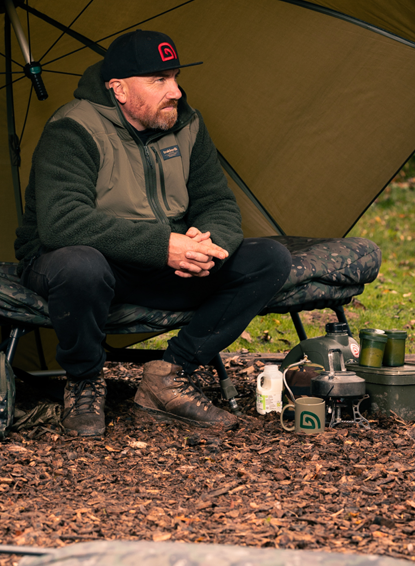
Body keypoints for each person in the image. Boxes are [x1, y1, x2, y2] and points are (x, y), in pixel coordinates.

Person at [15, 29, 292, 436]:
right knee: (80, 264)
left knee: (269, 259)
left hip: (166, 265)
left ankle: (168, 374)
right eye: (159, 81)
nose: (176, 92)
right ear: (120, 89)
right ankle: (85, 381)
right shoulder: (72, 129)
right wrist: (163, 246)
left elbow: (216, 201)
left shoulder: (188, 126)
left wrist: (207, 245)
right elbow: (62, 223)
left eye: (175, 77)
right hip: (86, 268)